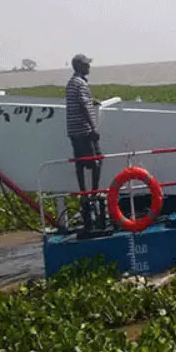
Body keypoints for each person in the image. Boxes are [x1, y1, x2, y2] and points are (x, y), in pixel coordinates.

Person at [65, 53, 103, 230]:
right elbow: (83, 105)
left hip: (73, 130)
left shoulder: (72, 83)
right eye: (87, 64)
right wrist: (94, 127)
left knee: (80, 163)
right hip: (82, 130)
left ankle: (85, 194)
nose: (89, 67)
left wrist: (91, 101)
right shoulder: (80, 83)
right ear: (79, 66)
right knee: (96, 161)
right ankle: (92, 194)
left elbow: (82, 101)